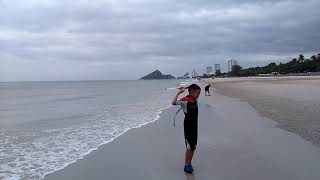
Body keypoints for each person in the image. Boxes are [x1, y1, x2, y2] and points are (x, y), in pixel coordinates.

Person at [171, 84, 201, 174]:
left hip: (195, 126)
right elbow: (173, 102)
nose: (198, 95)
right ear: (191, 92)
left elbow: (192, 86)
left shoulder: (194, 99)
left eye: (199, 93)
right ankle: (186, 165)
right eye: (197, 93)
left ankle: (189, 163)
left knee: (193, 146)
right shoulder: (185, 100)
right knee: (189, 146)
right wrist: (179, 92)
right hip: (188, 127)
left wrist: (186, 87)